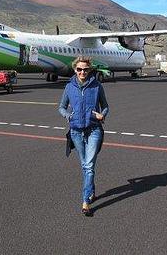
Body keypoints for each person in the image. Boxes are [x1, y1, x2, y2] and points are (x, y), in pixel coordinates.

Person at [58, 56, 109, 216]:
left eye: (85, 69)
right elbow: (61, 107)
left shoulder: (97, 86)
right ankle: (91, 190)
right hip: (76, 131)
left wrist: (102, 115)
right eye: (79, 69)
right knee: (86, 166)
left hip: (94, 130)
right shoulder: (69, 87)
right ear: (75, 70)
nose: (82, 72)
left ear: (90, 70)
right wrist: (68, 115)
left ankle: (86, 201)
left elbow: (105, 106)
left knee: (88, 166)